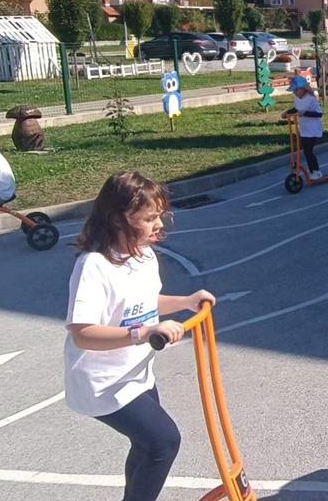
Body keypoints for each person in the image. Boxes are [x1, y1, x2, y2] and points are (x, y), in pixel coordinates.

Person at [64, 170, 216, 501]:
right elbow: (83, 333)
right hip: (102, 383)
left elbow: (145, 304)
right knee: (164, 442)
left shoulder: (144, 255)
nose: (159, 224)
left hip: (136, 372)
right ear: (119, 220)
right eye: (149, 218)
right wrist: (144, 332)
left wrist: (187, 302)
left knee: (146, 444)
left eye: (159, 215)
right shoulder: (95, 266)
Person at [282, 75, 324, 179]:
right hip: (304, 129)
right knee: (306, 151)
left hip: (314, 130)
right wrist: (287, 112)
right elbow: (296, 109)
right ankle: (311, 171)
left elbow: (319, 114)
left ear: (303, 89)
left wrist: (305, 113)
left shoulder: (311, 99)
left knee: (309, 151)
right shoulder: (297, 98)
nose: (295, 92)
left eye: (296, 90)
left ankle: (316, 171)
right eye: (293, 90)